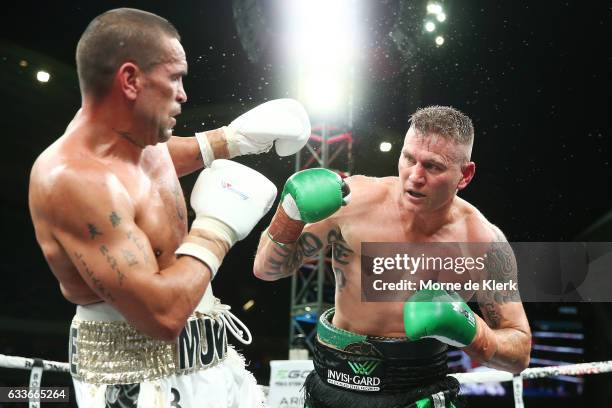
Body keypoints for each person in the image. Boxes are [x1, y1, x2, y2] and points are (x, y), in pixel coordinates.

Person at [28, 8, 310, 408]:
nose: (184, 93)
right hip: (135, 377)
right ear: (130, 80)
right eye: (175, 77)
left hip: (208, 353)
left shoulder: (126, 136)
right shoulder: (74, 181)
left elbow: (148, 163)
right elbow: (161, 317)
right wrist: (217, 228)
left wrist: (231, 140)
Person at [253, 106, 532, 407]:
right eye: (409, 158)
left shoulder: (484, 243)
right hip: (333, 382)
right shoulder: (352, 201)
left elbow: (519, 353)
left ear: (465, 175)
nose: (414, 176)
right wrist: (288, 215)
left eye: (433, 166)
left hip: (420, 392)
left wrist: (473, 332)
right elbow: (266, 269)